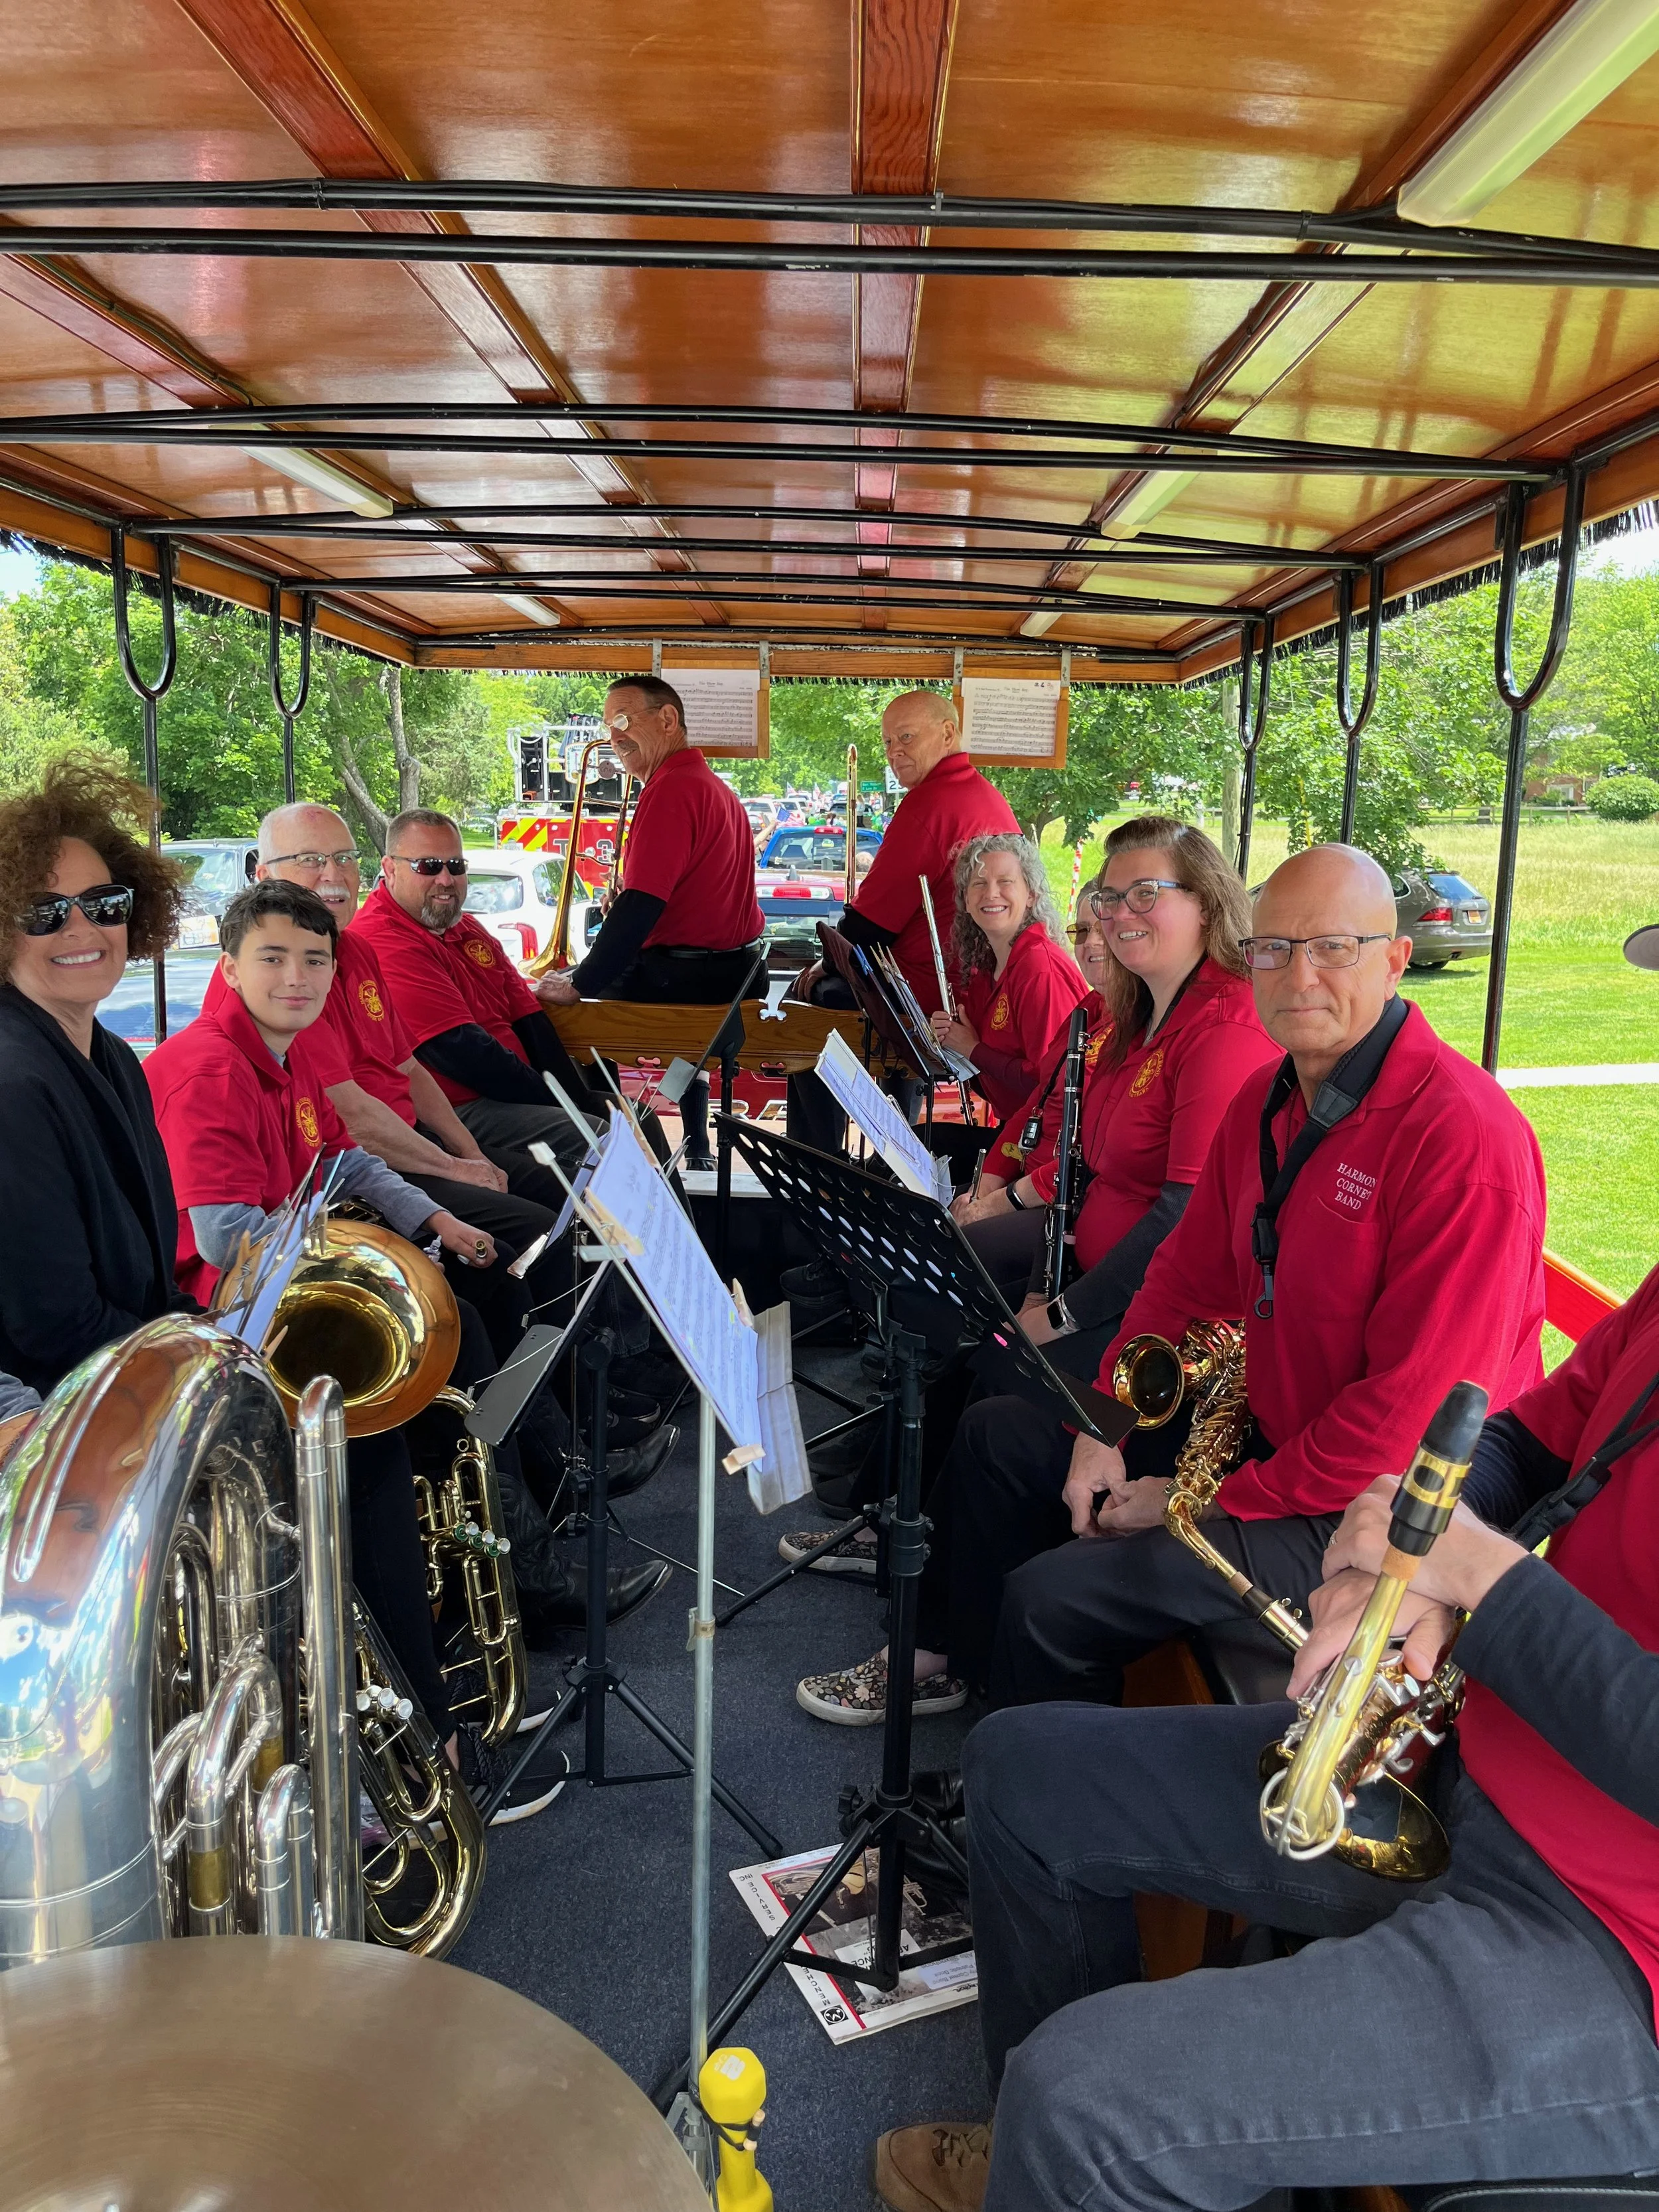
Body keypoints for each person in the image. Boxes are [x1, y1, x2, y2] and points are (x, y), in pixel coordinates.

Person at [873, 1268, 1659, 2212]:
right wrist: (1415, 1546)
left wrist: (1487, 1583)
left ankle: (1055, 2159)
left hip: (1618, 1952)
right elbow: (1535, 1438)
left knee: (1077, 2104)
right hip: (1473, 1766)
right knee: (1019, 1773)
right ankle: (1036, 2171)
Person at [979, 841, 1550, 1717]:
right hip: (1286, 1443)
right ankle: (990, 1720)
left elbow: (1400, 1423)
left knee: (1053, 1603)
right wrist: (1107, 1424)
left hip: (1395, 1512)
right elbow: (1181, 1281)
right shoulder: (1267, 1100)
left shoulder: (1465, 1138)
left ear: (1398, 959)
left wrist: (1197, 1501)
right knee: (1008, 1440)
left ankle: (1047, 1809)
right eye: (1274, 948)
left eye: (1334, 948)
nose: (1299, 975)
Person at [143, 881, 644, 1816]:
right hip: (227, 1338)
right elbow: (220, 1240)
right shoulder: (211, 1064)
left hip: (278, 1308)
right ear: (229, 967)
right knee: (377, 1462)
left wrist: (439, 1220)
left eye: (314, 960)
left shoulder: (281, 1056)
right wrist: (370, 1258)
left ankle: (462, 1637)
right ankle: (419, 1744)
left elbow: (344, 1161)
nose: (297, 977)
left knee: (451, 1360)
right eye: (274, 958)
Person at [792, 817, 1279, 1717]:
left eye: (1147, 894)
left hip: (1174, 1332)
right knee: (972, 1361)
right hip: (1116, 1290)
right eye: (1107, 895)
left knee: (994, 1410)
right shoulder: (1139, 1010)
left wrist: (1064, 1309)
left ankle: (936, 1648)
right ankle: (918, 1565)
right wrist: (1037, 1260)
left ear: (1208, 905)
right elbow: (1080, 1157)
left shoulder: (1226, 1025)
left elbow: (1179, 1218)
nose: (1119, 913)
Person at [239, 803, 675, 1483]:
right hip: (342, 1191)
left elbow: (408, 1068)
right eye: (310, 861)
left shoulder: (349, 951)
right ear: (262, 874)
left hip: (393, 1152)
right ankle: (558, 1448)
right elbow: (350, 1115)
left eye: (341, 859)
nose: (332, 875)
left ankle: (585, 1399)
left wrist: (468, 1158)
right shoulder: (297, 973)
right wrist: (453, 1170)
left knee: (544, 1219)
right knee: (525, 1244)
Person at [0, 759, 198, 1399]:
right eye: (44, 913)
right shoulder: (13, 1087)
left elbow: (150, 1280)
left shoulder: (110, 1054)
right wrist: (208, 1364)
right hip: (63, 1420)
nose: (82, 927)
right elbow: (58, 1328)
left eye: (103, 903)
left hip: (130, 1367)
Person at [534, 677, 766, 1171]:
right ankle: (690, 1145)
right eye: (608, 724)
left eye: (623, 720)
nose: (613, 735)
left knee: (557, 1017)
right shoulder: (712, 787)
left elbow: (641, 906)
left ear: (667, 720)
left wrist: (581, 981)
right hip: (734, 969)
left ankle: (619, 1147)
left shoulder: (673, 789)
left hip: (687, 975)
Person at [786, 692, 1019, 1162]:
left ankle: (818, 1164)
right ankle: (896, 1135)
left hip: (930, 989)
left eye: (907, 737)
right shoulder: (987, 795)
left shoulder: (930, 805)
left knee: (805, 1005)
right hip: (972, 982)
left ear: (948, 734)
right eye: (888, 742)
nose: (895, 753)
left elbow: (868, 925)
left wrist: (822, 961)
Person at [348, 806, 605, 1203]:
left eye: (455, 865)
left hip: (510, 1089)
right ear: (391, 868)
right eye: (429, 866)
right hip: (463, 1106)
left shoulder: (464, 925)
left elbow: (530, 1020)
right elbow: (465, 1054)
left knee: (631, 1119)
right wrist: (567, 1107)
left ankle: (688, 1251)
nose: (446, 879)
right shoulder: (380, 938)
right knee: (603, 1141)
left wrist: (579, 1098)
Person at [925, 833, 1086, 1176]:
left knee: (925, 1157)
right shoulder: (987, 969)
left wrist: (972, 1049)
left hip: (1046, 1155)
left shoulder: (1039, 970)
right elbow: (989, 1075)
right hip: (1017, 1134)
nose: (991, 893)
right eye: (979, 884)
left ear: (1031, 895)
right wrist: (952, 1040)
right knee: (919, 1144)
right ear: (966, 901)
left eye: (1005, 882)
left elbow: (1051, 1087)